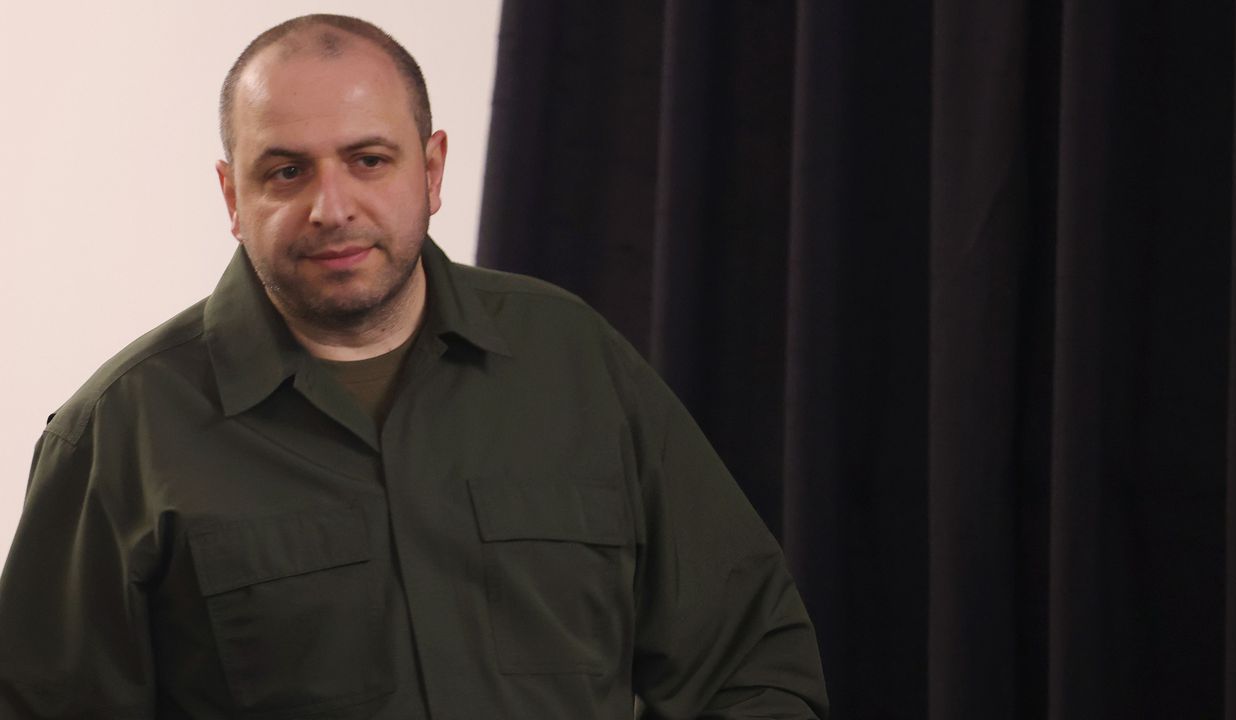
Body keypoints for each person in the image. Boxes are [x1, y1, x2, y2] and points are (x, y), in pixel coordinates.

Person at [0, 14, 827, 719]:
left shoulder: (575, 360)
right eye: (286, 171)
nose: (332, 208)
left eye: (369, 160)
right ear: (231, 196)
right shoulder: (118, 435)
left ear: (431, 170)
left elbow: (752, 663)